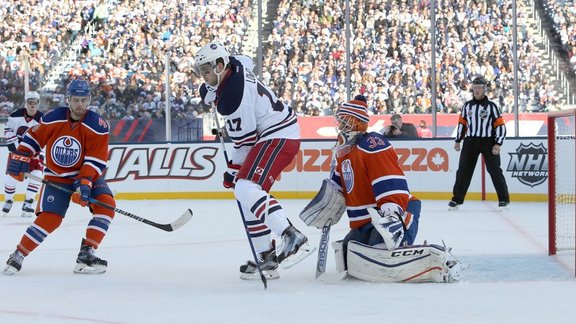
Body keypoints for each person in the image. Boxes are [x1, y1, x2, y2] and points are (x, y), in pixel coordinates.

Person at [299, 98, 463, 283]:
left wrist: (391, 209)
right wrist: (329, 204)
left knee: (380, 249)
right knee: (347, 252)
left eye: (344, 120)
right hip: (366, 220)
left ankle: (433, 259)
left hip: (394, 211)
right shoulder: (344, 152)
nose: (341, 125)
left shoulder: (372, 143)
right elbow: (339, 187)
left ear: (357, 122)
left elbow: (389, 177)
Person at [194, 41, 314, 280]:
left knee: (245, 186)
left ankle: (291, 235)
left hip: (279, 135)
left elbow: (245, 143)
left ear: (220, 66)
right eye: (201, 72)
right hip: (273, 133)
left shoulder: (233, 100)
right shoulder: (235, 65)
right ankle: (266, 258)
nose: (204, 76)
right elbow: (244, 59)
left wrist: (232, 171)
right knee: (247, 194)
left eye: (206, 71)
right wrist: (211, 91)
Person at [3, 79, 115, 275]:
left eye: (83, 100)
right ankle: (19, 254)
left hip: (86, 176)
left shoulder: (98, 125)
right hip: (57, 177)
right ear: (68, 100)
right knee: (51, 218)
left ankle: (87, 252)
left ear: (89, 100)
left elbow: (95, 161)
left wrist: (84, 185)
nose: (79, 105)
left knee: (106, 205)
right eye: (75, 100)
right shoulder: (53, 117)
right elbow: (33, 138)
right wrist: (22, 156)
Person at [449, 76, 510, 209]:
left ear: (484, 89)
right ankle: (457, 199)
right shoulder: (467, 106)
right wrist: (458, 140)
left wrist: (498, 143)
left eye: (480, 88)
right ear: (472, 89)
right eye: (475, 87)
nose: (477, 90)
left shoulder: (492, 107)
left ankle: (504, 199)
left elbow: (500, 126)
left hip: (489, 141)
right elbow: (462, 124)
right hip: (471, 141)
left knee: (494, 170)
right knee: (463, 170)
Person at [2, 91, 44, 217]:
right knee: (11, 178)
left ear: (38, 104)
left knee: (37, 176)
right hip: (17, 153)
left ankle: (28, 203)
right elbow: (8, 129)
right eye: (30, 103)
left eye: (35, 103)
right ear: (26, 103)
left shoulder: (43, 119)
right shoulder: (15, 115)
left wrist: (41, 153)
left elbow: (45, 138)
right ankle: (9, 200)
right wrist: (14, 146)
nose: (32, 106)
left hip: (33, 155)